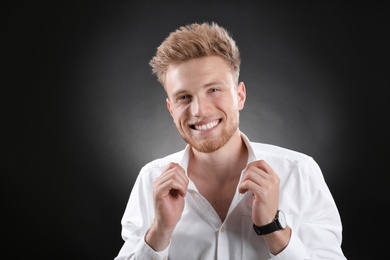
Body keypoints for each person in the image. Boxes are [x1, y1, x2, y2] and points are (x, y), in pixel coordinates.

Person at [114, 22, 346, 260]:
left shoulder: (299, 173)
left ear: (240, 95)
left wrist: (273, 228)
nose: (199, 110)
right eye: (184, 97)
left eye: (213, 90)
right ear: (171, 108)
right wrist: (159, 232)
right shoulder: (150, 180)